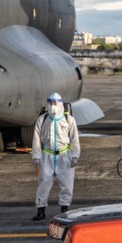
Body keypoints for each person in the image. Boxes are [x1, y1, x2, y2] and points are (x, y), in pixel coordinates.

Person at [32, 92, 80, 221]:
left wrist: (75, 155)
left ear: (60, 103)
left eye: (55, 103)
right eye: (50, 103)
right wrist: (36, 156)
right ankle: (41, 210)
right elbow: (36, 139)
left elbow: (74, 138)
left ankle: (64, 211)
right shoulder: (42, 119)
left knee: (66, 183)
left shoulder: (69, 119)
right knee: (43, 183)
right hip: (46, 155)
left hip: (64, 155)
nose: (52, 106)